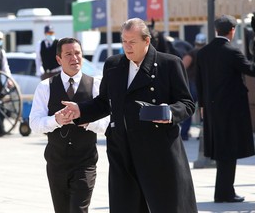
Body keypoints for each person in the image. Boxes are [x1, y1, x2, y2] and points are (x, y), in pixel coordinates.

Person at [59, 18, 197, 213]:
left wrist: (169, 112)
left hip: (159, 151)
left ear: (146, 41)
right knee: (126, 206)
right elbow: (104, 102)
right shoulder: (113, 65)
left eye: (132, 42)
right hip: (122, 150)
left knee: (168, 206)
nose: (127, 46)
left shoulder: (169, 64)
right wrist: (80, 110)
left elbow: (187, 103)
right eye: (124, 41)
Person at [29, 37, 109, 213]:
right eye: (69, 54)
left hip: (85, 161)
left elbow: (107, 124)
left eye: (78, 53)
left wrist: (88, 121)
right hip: (56, 161)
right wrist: (55, 121)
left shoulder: (95, 85)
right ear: (59, 59)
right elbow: (34, 123)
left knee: (79, 209)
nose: (74, 58)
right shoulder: (45, 87)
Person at [196, 15, 255, 203]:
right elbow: (252, 70)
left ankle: (223, 191)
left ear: (216, 30)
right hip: (231, 111)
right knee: (229, 152)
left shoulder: (203, 52)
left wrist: (202, 106)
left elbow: (199, 82)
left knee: (222, 152)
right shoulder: (232, 52)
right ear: (232, 30)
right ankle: (224, 193)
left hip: (212, 111)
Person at [180, 33, 207, 140]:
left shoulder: (191, 53)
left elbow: (182, 67)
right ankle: (203, 134)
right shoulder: (207, 53)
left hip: (193, 83)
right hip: (204, 84)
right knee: (204, 109)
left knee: (189, 108)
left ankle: (184, 133)